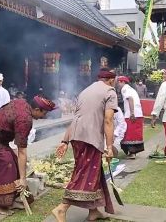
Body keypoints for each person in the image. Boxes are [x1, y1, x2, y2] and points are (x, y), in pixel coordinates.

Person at [52, 68, 118, 222]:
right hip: (90, 138)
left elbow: (76, 118)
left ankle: (93, 211)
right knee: (84, 174)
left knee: (92, 173)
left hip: (76, 137)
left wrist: (65, 140)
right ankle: (62, 208)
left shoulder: (85, 91)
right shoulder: (110, 91)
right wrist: (109, 147)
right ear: (111, 80)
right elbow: (108, 120)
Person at [0, 95, 56, 215]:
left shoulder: (22, 102)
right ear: (37, 110)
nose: (45, 116)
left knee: (14, 162)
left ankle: (14, 199)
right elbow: (22, 151)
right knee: (7, 164)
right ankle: (1, 205)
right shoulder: (25, 120)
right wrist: (23, 179)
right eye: (44, 113)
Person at [117, 76, 144, 159]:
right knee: (135, 134)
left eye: (118, 82)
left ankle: (132, 153)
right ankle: (132, 152)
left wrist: (132, 113)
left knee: (129, 134)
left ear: (122, 82)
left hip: (131, 115)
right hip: (138, 114)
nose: (118, 84)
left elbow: (130, 99)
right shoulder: (132, 89)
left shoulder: (125, 89)